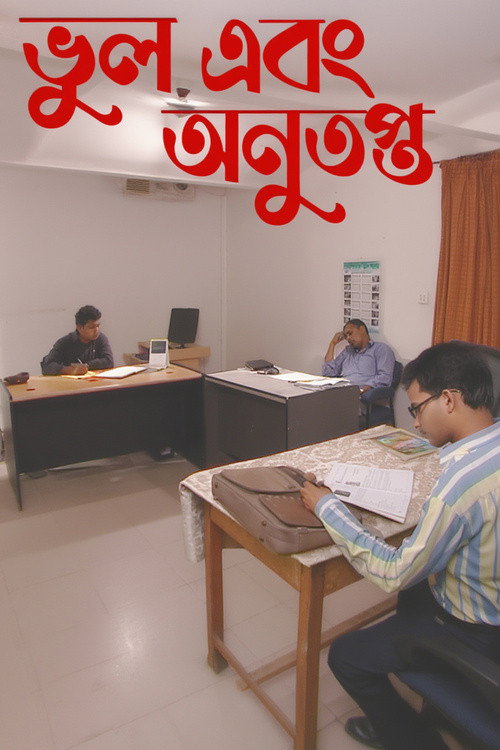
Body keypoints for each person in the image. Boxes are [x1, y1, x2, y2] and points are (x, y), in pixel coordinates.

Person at [301, 342, 499, 750]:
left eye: (417, 408)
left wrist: (327, 507)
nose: (415, 422)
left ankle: (411, 739)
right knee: (414, 592)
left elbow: (394, 572)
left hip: (474, 630)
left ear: (449, 400)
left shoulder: (460, 487)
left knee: (345, 655)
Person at [323, 319, 395, 395]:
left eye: (350, 333)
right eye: (346, 336)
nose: (348, 338)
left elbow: (385, 377)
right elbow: (328, 374)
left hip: (359, 394)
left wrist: (362, 389)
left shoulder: (380, 349)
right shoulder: (348, 351)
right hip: (341, 391)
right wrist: (332, 344)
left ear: (362, 329)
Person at [41, 305, 114, 375]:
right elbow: (47, 365)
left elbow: (109, 361)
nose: (96, 330)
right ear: (79, 328)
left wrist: (87, 366)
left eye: (98, 326)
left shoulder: (101, 338)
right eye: (91, 327)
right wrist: (67, 370)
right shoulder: (65, 342)